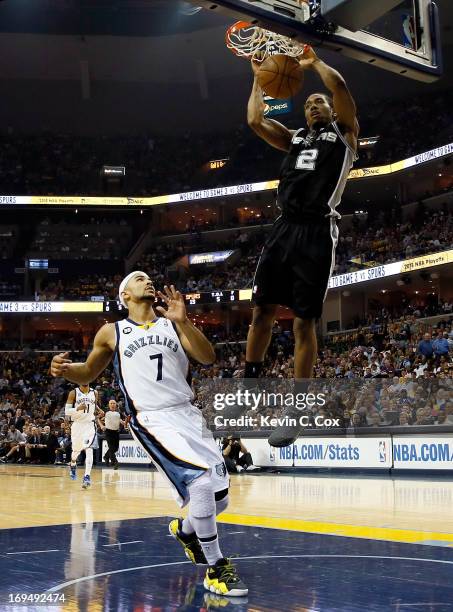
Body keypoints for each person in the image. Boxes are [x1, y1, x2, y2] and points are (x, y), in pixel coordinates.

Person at [50, 272, 247, 597]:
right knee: (198, 482)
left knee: (219, 498)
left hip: (189, 415)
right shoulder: (112, 332)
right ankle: (216, 568)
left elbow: (208, 357)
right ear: (125, 294)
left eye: (149, 278)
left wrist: (183, 323)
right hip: (151, 418)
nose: (148, 281)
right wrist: (65, 370)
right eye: (139, 279)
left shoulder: (173, 323)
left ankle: (186, 532)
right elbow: (88, 371)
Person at [245, 46, 359, 446]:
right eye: (308, 102)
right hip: (283, 228)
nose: (312, 105)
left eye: (319, 102)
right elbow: (255, 119)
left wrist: (312, 66)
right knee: (261, 313)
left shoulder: (344, 138)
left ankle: (295, 408)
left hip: (316, 232)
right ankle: (251, 383)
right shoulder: (294, 138)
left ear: (330, 111)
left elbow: (340, 85)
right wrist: (258, 78)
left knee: (302, 323)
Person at [64, 384, 103, 489]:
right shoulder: (74, 393)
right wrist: (77, 408)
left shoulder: (94, 392)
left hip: (89, 425)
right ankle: (73, 464)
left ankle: (87, 477)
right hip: (77, 425)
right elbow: (66, 412)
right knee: (76, 452)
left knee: (89, 449)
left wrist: (99, 410)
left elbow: (94, 404)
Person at [99, 399, 124, 469]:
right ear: (109, 405)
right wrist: (101, 425)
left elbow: (120, 420)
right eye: (111, 403)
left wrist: (124, 423)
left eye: (114, 403)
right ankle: (115, 462)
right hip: (108, 432)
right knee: (112, 448)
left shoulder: (119, 413)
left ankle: (106, 457)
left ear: (116, 405)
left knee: (116, 448)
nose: (112, 405)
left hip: (116, 432)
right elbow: (97, 418)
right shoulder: (105, 412)